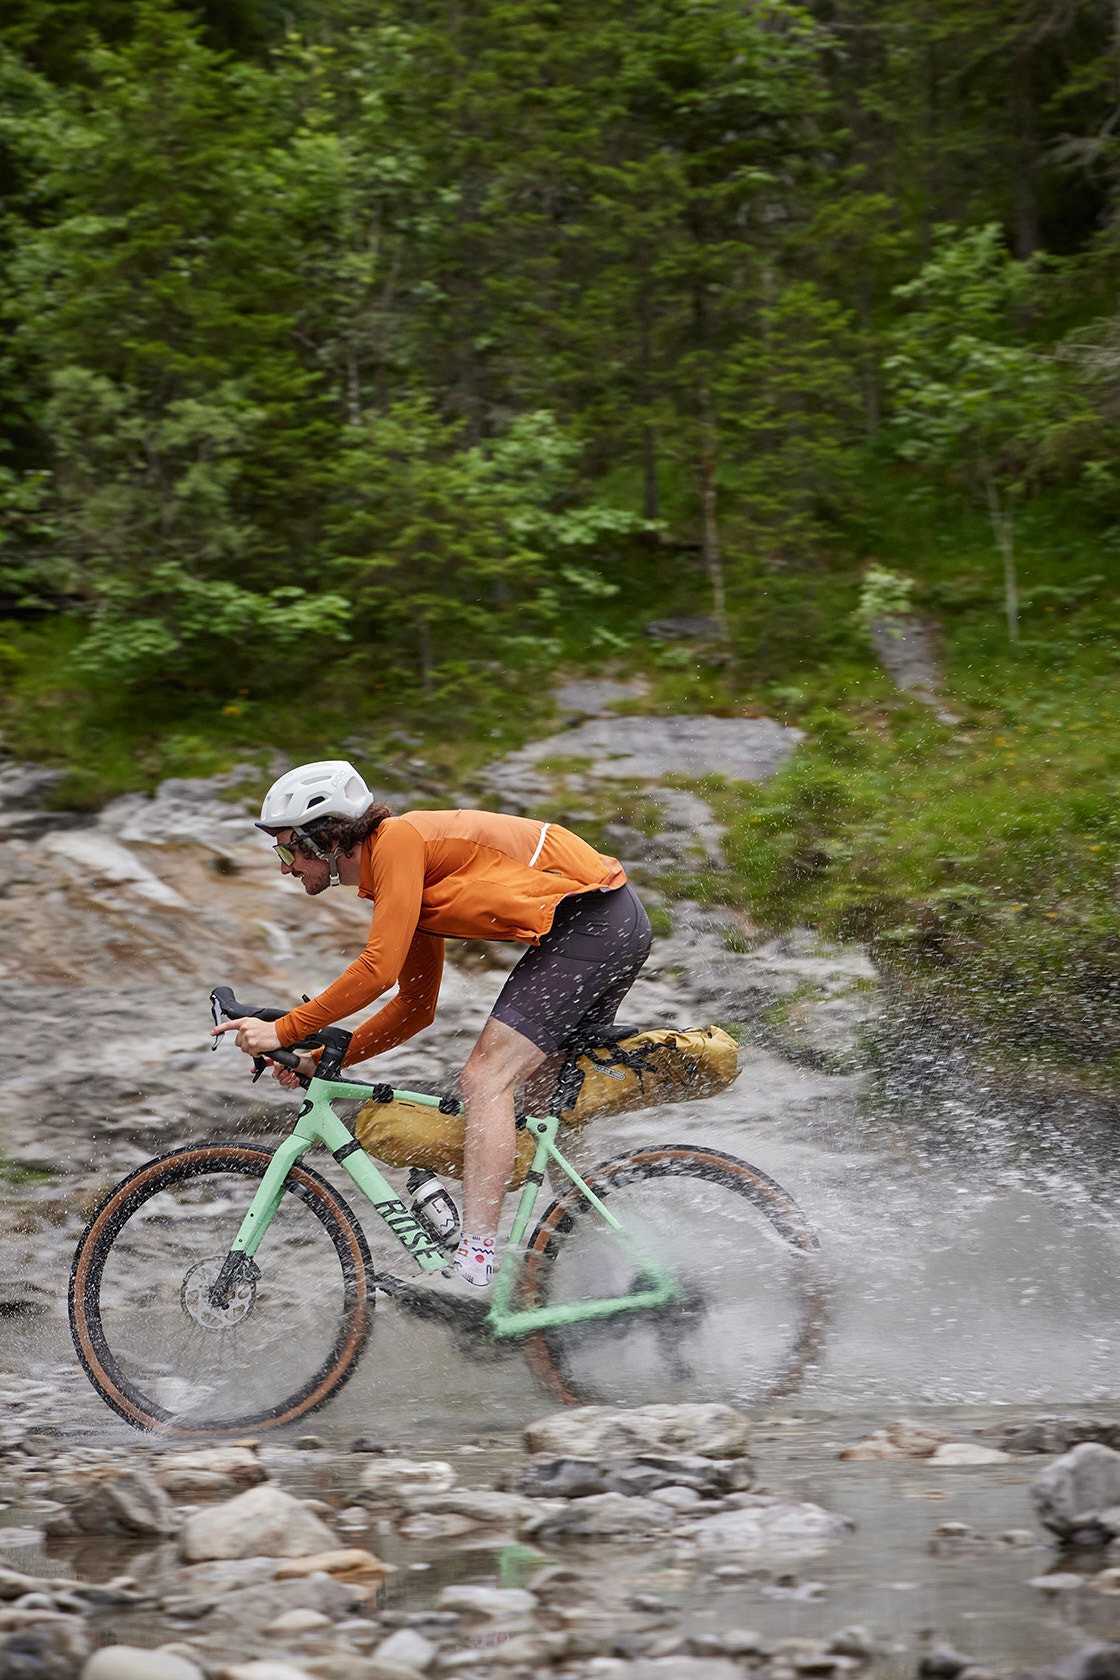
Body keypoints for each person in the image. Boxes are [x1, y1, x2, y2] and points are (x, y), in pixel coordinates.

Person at [212, 759, 652, 1302]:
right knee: (540, 1109)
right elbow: (415, 1006)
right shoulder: (401, 872)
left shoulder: (397, 840)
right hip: (607, 922)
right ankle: (615, 1270)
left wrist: (284, 1029)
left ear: (325, 839)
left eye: (286, 852)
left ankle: (476, 1265)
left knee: (485, 1080)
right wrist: (320, 1059)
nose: (284, 869)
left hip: (594, 923)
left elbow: (377, 969)